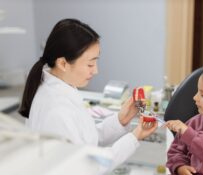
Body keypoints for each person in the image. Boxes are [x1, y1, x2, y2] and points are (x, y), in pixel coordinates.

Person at [19, 18, 157, 173]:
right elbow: (89, 166)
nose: (95, 71)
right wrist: (135, 136)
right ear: (63, 64)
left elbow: (86, 139)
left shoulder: (62, 89)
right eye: (90, 64)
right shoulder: (56, 110)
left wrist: (121, 119)